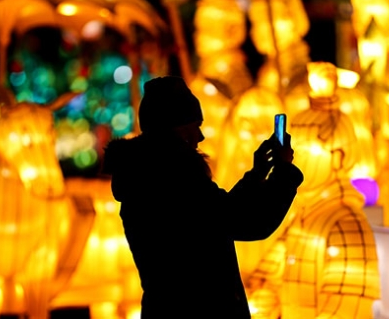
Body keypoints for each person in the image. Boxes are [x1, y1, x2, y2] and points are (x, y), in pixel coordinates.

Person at [102, 76, 303, 318]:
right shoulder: (173, 178)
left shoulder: (147, 177)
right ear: (173, 130)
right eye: (193, 126)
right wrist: (284, 172)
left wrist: (257, 174)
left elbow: (221, 213)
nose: (200, 136)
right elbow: (248, 223)